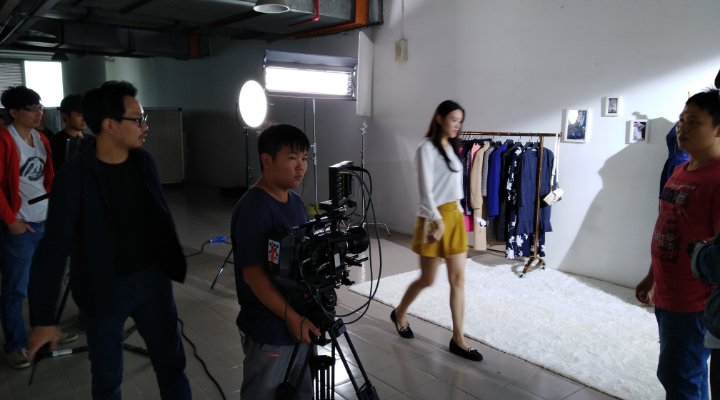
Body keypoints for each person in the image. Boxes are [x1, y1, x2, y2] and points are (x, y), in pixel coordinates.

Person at [27, 81, 191, 400]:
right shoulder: (74, 177)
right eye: (138, 119)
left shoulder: (144, 163)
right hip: (104, 290)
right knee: (106, 379)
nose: (145, 126)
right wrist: (44, 319)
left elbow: (160, 219)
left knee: (172, 366)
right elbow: (53, 249)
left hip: (153, 284)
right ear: (110, 125)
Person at [635, 84, 720, 399]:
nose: (683, 128)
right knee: (686, 376)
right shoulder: (681, 170)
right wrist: (651, 277)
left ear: (718, 129)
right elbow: (668, 227)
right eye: (682, 120)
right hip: (669, 294)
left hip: (695, 303)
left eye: (694, 122)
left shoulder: (717, 179)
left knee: (679, 376)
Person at [231, 124, 321, 400]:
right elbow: (254, 276)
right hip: (270, 328)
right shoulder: (253, 208)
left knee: (301, 391)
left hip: (299, 320)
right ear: (267, 160)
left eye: (304, 158)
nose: (301, 166)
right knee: (265, 392)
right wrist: (292, 318)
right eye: (292, 158)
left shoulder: (295, 202)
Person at [390, 100, 483, 362]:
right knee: (427, 279)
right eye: (453, 119)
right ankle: (400, 312)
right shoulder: (426, 148)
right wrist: (437, 220)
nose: (457, 125)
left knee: (458, 280)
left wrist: (460, 215)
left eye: (460, 121)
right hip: (433, 218)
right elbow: (426, 189)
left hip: (454, 216)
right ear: (440, 118)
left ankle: (458, 338)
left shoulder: (453, 148)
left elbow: (454, 187)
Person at [0, 86, 76, 369]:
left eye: (40, 107)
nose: (39, 113)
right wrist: (11, 221)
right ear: (14, 112)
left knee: (42, 285)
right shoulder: (5, 140)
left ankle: (43, 332)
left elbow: (48, 178)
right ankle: (15, 345)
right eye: (32, 109)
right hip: (22, 226)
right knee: (15, 289)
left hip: (45, 220)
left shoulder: (41, 138)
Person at [51, 93, 92, 170]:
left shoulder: (91, 140)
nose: (84, 119)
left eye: (86, 114)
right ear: (65, 115)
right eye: (79, 115)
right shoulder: (57, 142)